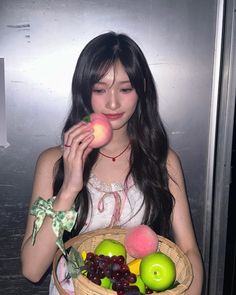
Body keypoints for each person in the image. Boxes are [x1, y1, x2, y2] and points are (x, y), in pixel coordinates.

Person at [21, 31, 203, 294]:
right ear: (85, 92)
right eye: (100, 89)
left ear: (141, 91)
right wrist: (69, 189)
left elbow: (188, 250)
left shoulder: (162, 160)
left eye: (126, 88)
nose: (113, 102)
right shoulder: (53, 162)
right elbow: (32, 269)